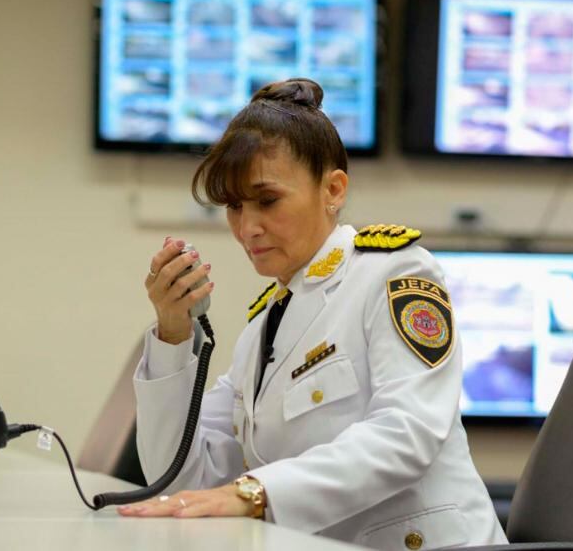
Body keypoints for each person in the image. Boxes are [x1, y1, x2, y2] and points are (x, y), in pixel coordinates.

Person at [117, 78, 507, 550]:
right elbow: (180, 479)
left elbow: (407, 434)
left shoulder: (394, 271)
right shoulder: (264, 329)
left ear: (334, 189)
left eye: (267, 200)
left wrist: (255, 493)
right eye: (234, 207)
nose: (247, 228)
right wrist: (174, 333)